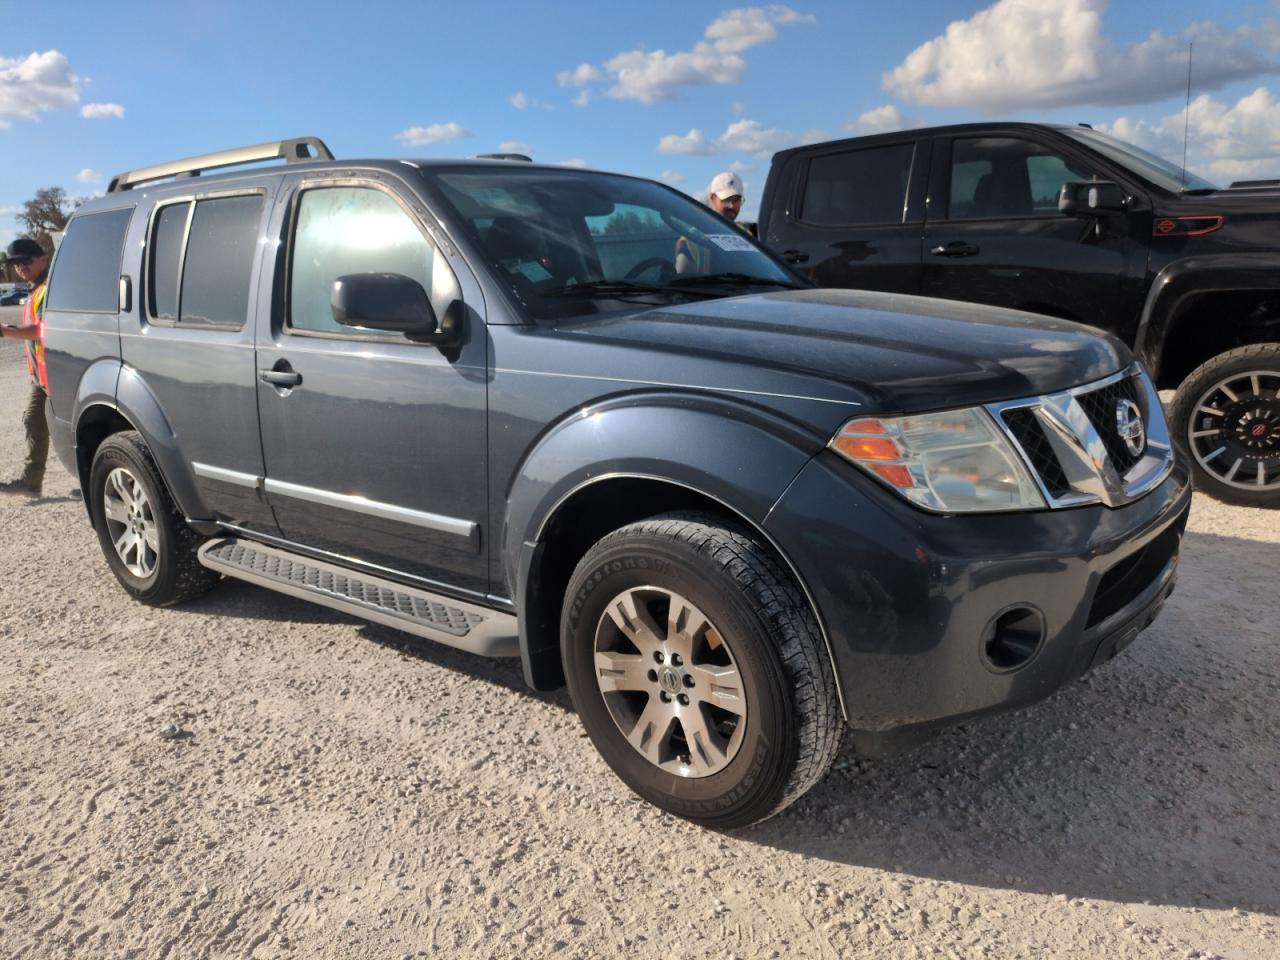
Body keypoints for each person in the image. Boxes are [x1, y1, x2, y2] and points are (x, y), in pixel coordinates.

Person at [0, 238, 51, 497]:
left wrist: (5, 332)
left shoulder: (50, 288)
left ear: (43, 258)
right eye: (16, 264)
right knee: (34, 422)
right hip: (42, 377)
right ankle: (31, 483)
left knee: (75, 430)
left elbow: (40, 331)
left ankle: (90, 479)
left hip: (59, 374)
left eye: (26, 261)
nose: (21, 267)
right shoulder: (35, 290)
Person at [675, 171, 746, 274]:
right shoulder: (691, 239)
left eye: (736, 200)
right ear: (712, 198)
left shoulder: (746, 235)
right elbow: (681, 281)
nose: (731, 206)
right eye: (726, 199)